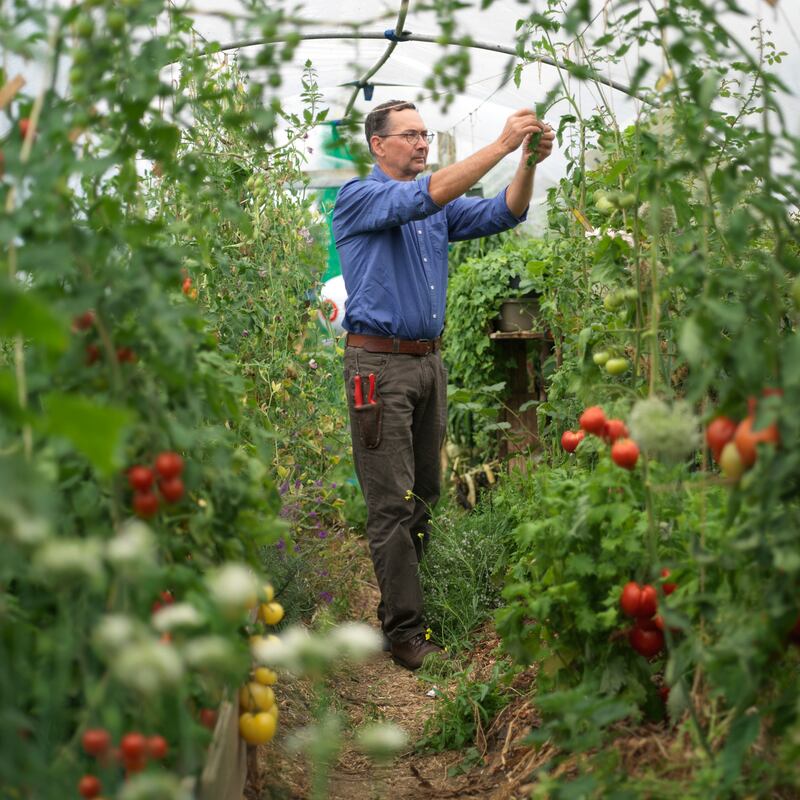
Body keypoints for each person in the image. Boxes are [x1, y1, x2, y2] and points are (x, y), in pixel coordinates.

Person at [332, 100, 554, 670]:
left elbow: (506, 211)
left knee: (425, 492)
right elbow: (420, 196)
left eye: (425, 134)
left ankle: (411, 611)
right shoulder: (361, 197)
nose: (421, 143)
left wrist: (525, 162)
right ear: (377, 145)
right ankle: (405, 631)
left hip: (428, 363)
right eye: (409, 135)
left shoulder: (437, 208)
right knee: (390, 501)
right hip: (378, 368)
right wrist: (502, 145)